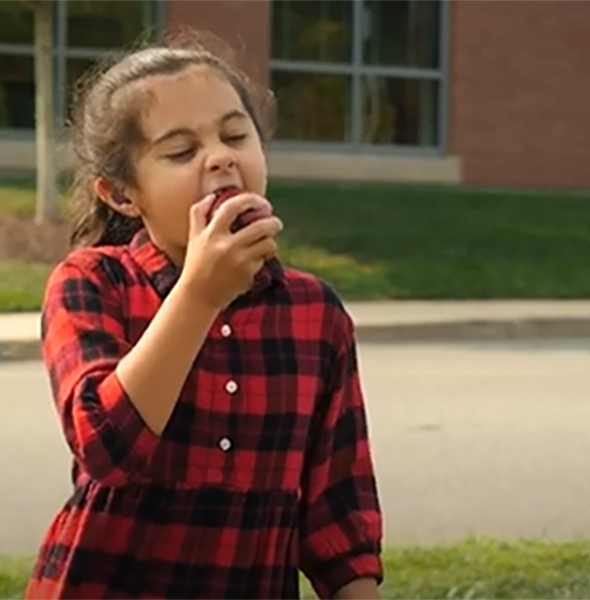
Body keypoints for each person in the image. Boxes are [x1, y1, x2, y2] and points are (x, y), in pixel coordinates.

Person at [25, 31, 383, 600]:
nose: (220, 157)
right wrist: (198, 294)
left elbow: (339, 512)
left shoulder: (317, 315)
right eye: (180, 151)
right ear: (122, 194)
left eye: (235, 134)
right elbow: (105, 448)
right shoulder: (92, 283)